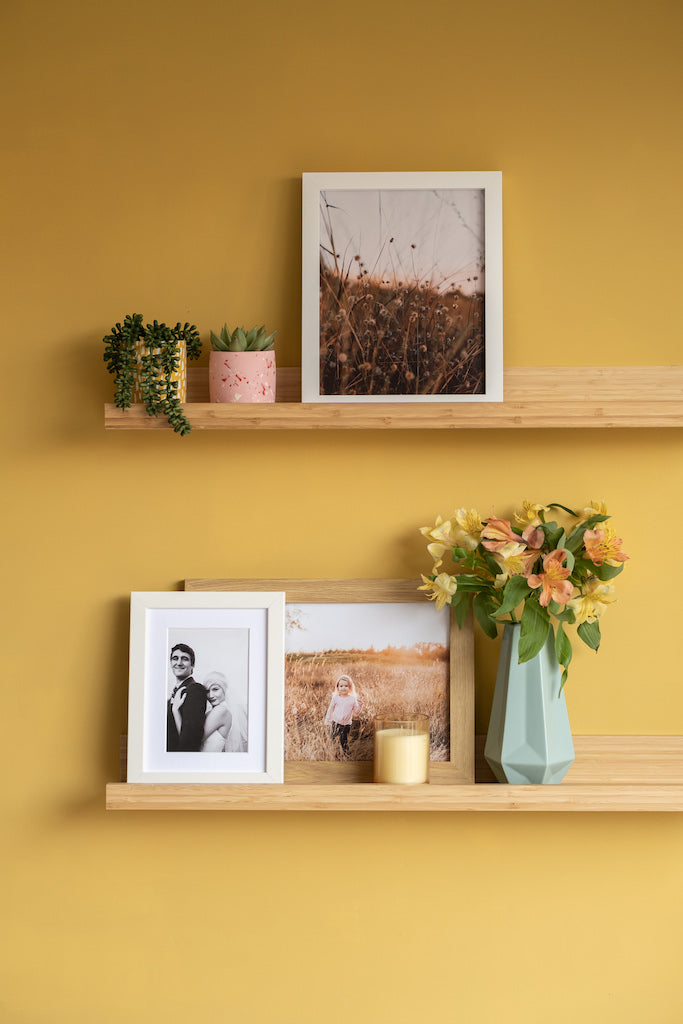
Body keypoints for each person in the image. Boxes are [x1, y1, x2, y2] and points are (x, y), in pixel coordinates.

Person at [167, 643, 207, 752]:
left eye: (184, 659)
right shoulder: (172, 694)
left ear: (192, 665)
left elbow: (191, 743)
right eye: (175, 658)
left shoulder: (195, 690)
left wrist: (175, 710)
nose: (179, 663)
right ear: (171, 663)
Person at [324, 675, 362, 756]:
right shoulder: (336, 698)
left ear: (350, 687)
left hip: (346, 725)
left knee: (343, 741)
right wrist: (328, 720)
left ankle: (345, 755)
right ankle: (330, 752)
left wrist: (360, 705)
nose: (343, 688)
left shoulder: (352, 699)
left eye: (346, 686)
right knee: (330, 738)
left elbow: (356, 711)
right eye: (341, 686)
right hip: (335, 722)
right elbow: (330, 709)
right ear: (337, 687)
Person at [200, 673, 232, 753]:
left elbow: (194, 740)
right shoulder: (214, 711)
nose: (210, 695)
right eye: (207, 691)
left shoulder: (221, 710)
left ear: (224, 690)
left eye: (215, 689)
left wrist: (175, 711)